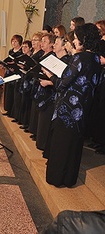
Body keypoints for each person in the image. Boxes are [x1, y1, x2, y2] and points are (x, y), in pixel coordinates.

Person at [44, 23, 102, 188]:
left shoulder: (80, 58)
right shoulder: (97, 59)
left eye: (76, 38)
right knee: (74, 146)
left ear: (83, 39)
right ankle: (69, 179)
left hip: (68, 110)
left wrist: (50, 76)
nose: (75, 41)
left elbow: (63, 83)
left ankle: (56, 178)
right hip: (83, 110)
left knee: (61, 144)